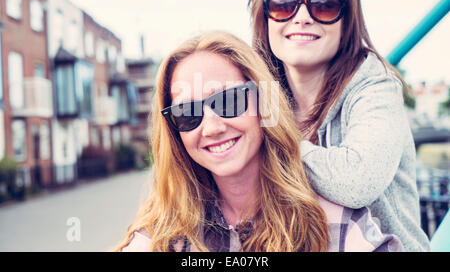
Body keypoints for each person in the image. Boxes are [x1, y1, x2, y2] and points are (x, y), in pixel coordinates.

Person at [114, 31, 402, 252]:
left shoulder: (331, 220)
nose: (212, 127)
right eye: (188, 114)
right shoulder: (165, 231)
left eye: (229, 100)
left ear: (264, 103)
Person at [248, 0, 430, 251]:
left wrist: (274, 141)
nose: (302, 17)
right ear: (264, 16)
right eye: (283, 4)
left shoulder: (376, 85)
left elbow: (359, 180)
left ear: (348, 21)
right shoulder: (259, 93)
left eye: (324, 5)